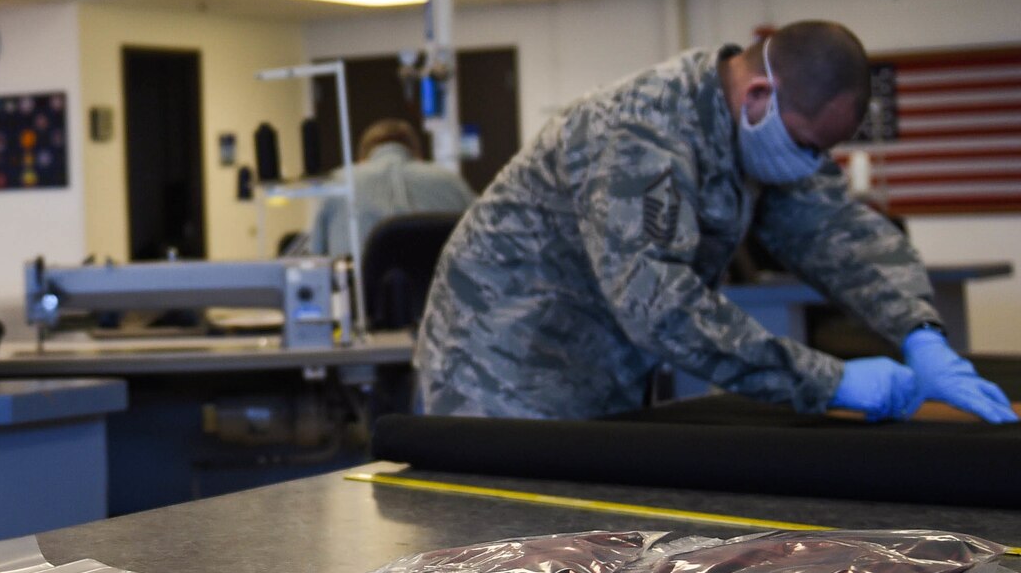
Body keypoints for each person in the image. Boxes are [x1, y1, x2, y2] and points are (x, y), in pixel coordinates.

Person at [416, 22, 1016, 424]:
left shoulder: (764, 128)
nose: (812, 164)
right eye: (808, 144)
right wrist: (828, 382)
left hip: (598, 367)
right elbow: (659, 305)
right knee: (518, 571)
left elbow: (834, 227)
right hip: (502, 369)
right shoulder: (643, 130)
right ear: (759, 93)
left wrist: (920, 332)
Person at [308, 118, 476, 259]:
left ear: (362, 161)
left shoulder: (339, 183)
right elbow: (483, 246)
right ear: (418, 157)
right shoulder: (451, 181)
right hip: (441, 295)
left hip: (361, 297)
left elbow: (316, 260)